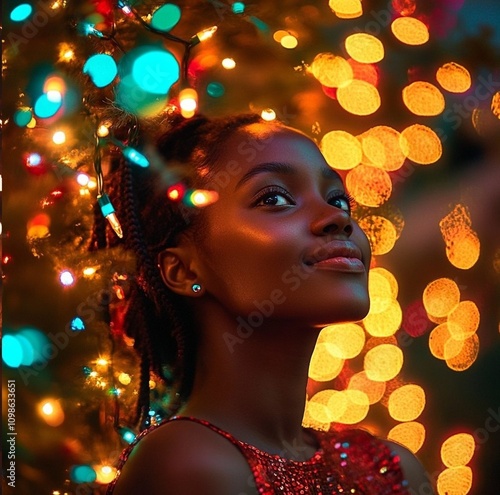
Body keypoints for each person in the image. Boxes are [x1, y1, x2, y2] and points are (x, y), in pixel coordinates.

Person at [97, 113, 434, 494]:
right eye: (274, 198)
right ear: (184, 270)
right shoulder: (188, 463)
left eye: (338, 199)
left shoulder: (392, 468)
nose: (336, 219)